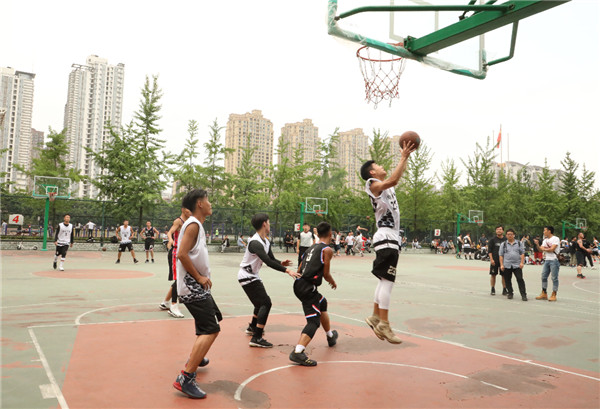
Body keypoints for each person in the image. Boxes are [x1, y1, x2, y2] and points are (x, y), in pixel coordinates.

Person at [360, 138, 416, 344]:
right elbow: (393, 180)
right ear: (372, 172)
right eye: (378, 166)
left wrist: (405, 158)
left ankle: (376, 316)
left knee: (383, 280)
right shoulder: (373, 185)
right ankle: (384, 323)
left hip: (389, 237)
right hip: (386, 236)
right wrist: (403, 157)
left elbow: (395, 177)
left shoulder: (386, 187)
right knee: (388, 282)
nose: (382, 167)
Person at [172, 189, 220, 399]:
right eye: (207, 200)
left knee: (209, 322)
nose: (210, 204)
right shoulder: (193, 225)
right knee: (211, 329)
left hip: (196, 286)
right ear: (199, 204)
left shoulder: (196, 225)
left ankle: (196, 358)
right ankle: (186, 377)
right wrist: (199, 277)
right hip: (192, 286)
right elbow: (181, 254)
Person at [237, 213, 300, 348]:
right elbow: (268, 262)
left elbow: (271, 258)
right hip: (247, 276)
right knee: (266, 303)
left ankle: (252, 327)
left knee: (259, 303)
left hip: (252, 275)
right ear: (264, 224)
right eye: (269, 222)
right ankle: (257, 337)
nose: (270, 225)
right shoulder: (255, 242)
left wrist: (281, 262)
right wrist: (287, 271)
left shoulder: (265, 241)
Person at [289, 221, 338, 366]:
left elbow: (299, 268)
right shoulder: (327, 250)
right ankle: (298, 351)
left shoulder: (311, 247)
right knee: (313, 322)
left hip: (300, 283)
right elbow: (326, 274)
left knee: (322, 302)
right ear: (330, 234)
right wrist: (333, 282)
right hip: (307, 287)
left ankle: (330, 336)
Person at [160, 209, 190, 319]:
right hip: (175, 253)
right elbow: (170, 232)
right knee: (179, 279)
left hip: (182, 253)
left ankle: (165, 302)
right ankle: (173, 305)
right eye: (189, 209)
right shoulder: (178, 221)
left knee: (180, 279)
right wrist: (170, 239)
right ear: (184, 210)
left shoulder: (189, 222)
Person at [499, 229, 527, 301]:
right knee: (507, 280)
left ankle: (523, 294)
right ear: (506, 235)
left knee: (520, 279)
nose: (510, 236)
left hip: (517, 265)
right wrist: (501, 265)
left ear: (514, 235)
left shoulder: (519, 243)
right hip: (507, 264)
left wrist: (522, 263)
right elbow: (501, 255)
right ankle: (510, 293)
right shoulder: (503, 244)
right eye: (508, 234)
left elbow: (522, 253)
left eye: (511, 234)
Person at [534, 226, 561, 302]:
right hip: (547, 260)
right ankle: (544, 292)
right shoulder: (545, 240)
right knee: (543, 276)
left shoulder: (556, 239)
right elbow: (540, 250)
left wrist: (544, 249)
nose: (543, 232)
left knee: (554, 278)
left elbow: (552, 249)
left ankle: (554, 293)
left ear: (549, 231)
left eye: (544, 230)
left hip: (554, 260)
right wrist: (537, 245)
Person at [487, 225, 507, 296]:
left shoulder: (506, 240)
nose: (499, 230)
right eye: (497, 229)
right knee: (493, 274)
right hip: (495, 260)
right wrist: (491, 259)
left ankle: (504, 289)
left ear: (503, 231)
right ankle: (492, 288)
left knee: (504, 275)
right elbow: (489, 251)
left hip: (503, 261)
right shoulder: (492, 240)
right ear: (496, 231)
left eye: (500, 229)